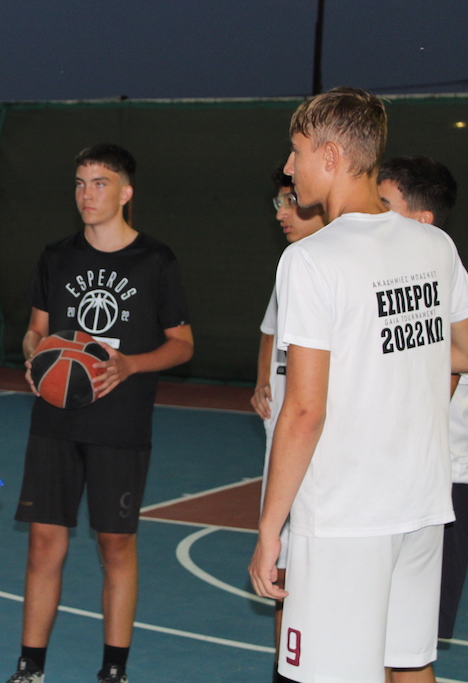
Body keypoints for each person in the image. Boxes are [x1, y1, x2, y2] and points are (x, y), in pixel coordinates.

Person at [249, 88, 468, 683]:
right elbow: (460, 351)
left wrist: (270, 529)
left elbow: (304, 411)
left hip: (346, 514)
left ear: (331, 155)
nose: (289, 167)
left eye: (296, 152)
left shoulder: (311, 260)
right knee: (409, 664)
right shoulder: (435, 245)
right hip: (422, 505)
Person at [9, 143, 193, 683]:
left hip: (121, 424)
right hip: (55, 421)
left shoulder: (155, 260)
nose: (86, 194)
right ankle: (30, 667)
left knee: (116, 544)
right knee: (44, 544)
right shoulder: (56, 256)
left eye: (100, 183)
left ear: (125, 193)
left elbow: (182, 344)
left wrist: (131, 365)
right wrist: (35, 357)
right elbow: (35, 330)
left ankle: (114, 668)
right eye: (80, 183)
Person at [377, 155, 465, 643]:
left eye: (384, 205)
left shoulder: (444, 272)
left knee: (411, 641)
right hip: (403, 477)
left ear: (423, 221)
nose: (374, 214)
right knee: (391, 638)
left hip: (444, 479)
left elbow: (458, 360)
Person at [250, 164, 326, 682]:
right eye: (277, 202)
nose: (282, 212)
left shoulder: (326, 266)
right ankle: (284, 671)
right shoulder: (292, 267)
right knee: (284, 579)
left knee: (314, 583)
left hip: (316, 457)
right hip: (283, 447)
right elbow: (269, 330)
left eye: (290, 201)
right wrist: (263, 380)